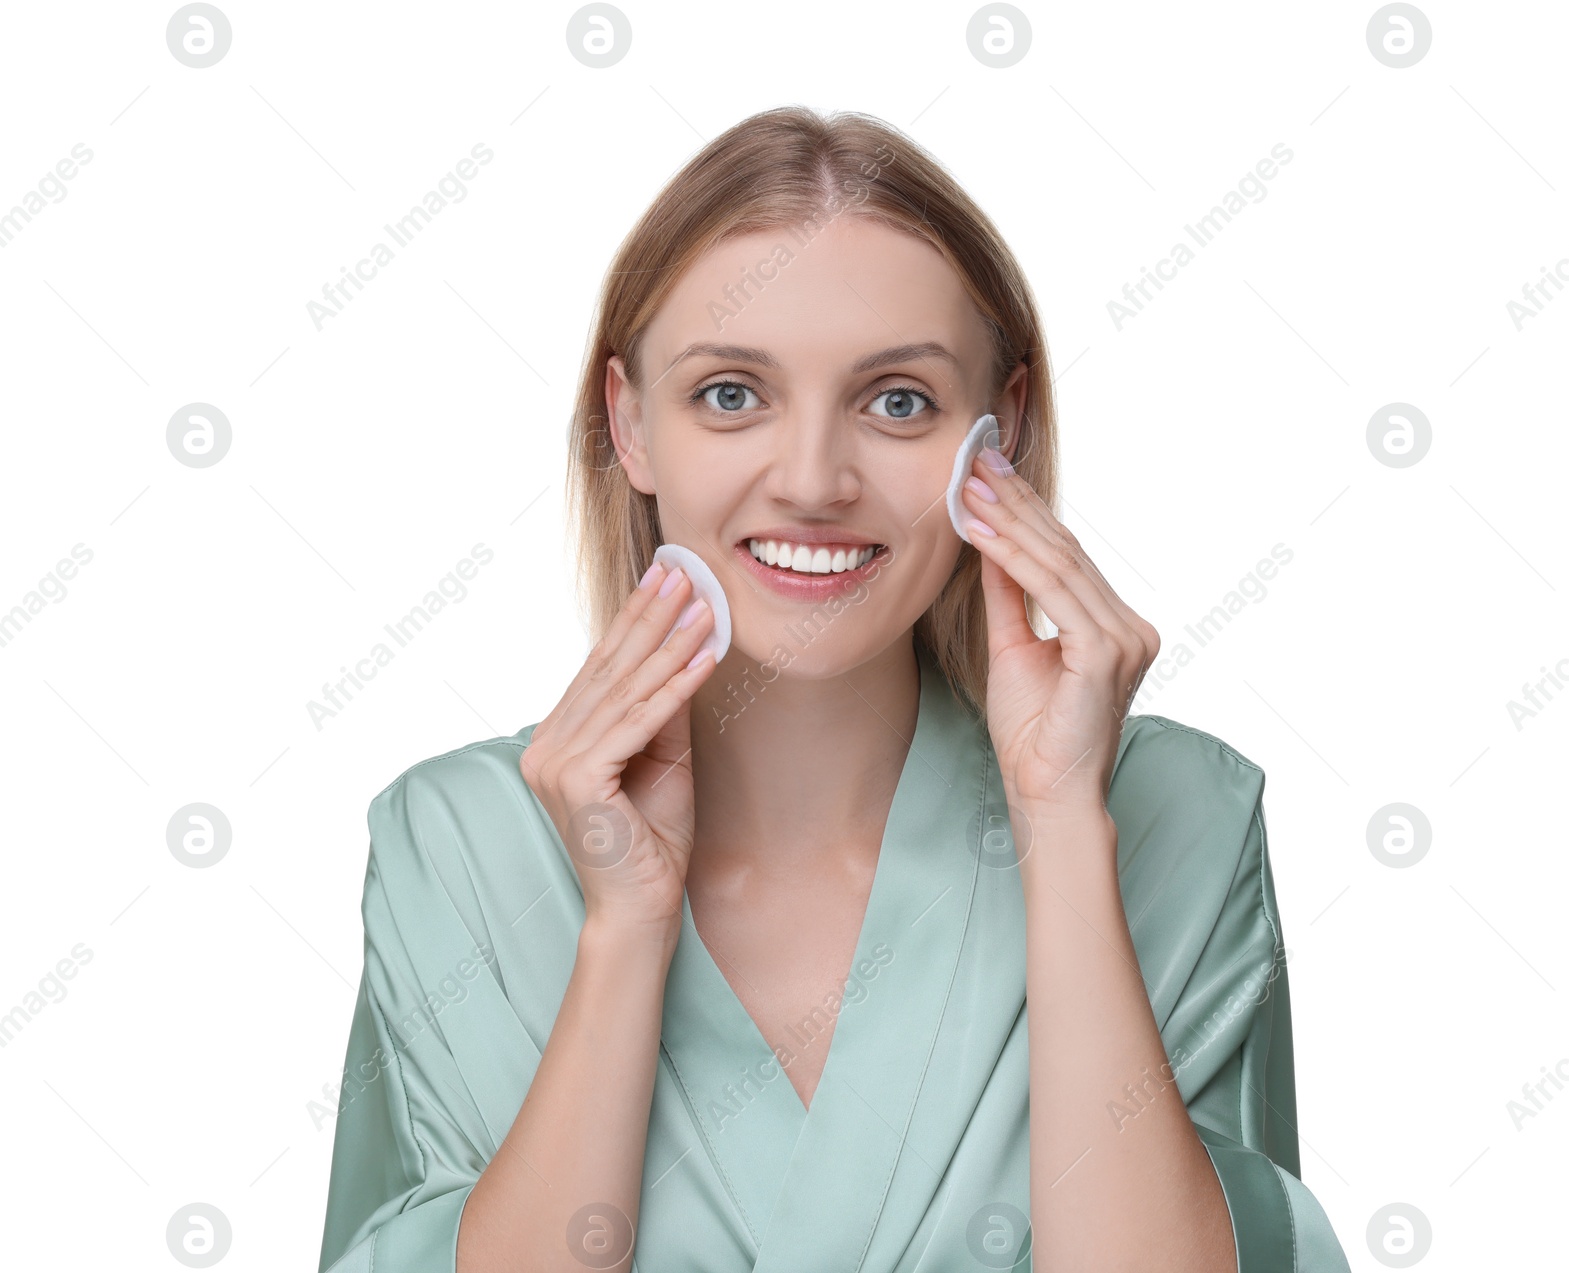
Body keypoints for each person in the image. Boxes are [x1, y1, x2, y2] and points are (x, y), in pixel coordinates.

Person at [316, 105, 1350, 1272]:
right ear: (629, 424)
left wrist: (1060, 824)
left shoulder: (1178, 815)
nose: (813, 480)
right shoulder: (458, 844)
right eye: (729, 394)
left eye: (896, 400)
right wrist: (624, 929)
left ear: (995, 432)